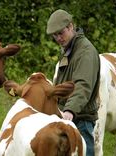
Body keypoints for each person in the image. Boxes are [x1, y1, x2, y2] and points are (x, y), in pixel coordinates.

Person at [46, 9, 100, 156]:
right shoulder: (70, 48)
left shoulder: (85, 52)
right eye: (54, 35)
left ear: (70, 26)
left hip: (81, 119)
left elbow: (83, 85)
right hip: (68, 117)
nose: (58, 38)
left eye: (60, 33)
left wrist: (69, 110)